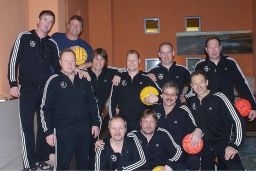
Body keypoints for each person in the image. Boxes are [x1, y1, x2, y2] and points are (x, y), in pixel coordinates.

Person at [7, 10, 60, 170]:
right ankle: (29, 164)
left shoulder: (52, 44)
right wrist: (13, 83)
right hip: (28, 89)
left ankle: (41, 159)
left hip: (45, 90)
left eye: (50, 21)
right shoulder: (24, 37)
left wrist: (74, 71)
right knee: (27, 127)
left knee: (44, 126)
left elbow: (59, 67)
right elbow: (13, 61)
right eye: (45, 19)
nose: (47, 23)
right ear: (38, 20)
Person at [40, 49, 101, 170]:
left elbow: (92, 103)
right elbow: (45, 109)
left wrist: (95, 123)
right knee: (62, 165)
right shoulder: (53, 80)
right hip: (63, 130)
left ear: (76, 62)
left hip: (84, 129)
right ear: (60, 62)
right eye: (66, 61)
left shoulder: (84, 79)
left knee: (84, 164)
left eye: (72, 61)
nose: (69, 64)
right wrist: (48, 132)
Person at [187, 71, 245, 170]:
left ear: (207, 82)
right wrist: (197, 129)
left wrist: (234, 145)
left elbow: (238, 121)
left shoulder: (219, 97)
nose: (198, 86)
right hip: (205, 145)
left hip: (224, 143)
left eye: (201, 82)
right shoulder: (191, 101)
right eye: (195, 83)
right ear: (191, 86)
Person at [190, 36, 256, 121]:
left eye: (216, 47)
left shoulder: (230, 63)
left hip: (228, 109)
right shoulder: (200, 66)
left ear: (220, 48)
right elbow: (194, 89)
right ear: (206, 49)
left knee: (230, 133)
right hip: (207, 111)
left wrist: (253, 106)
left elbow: (242, 85)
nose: (214, 50)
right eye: (210, 48)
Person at [152, 81, 202, 170]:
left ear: (176, 97)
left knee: (194, 159)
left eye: (172, 95)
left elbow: (197, 128)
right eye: (166, 94)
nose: (169, 97)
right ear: (162, 95)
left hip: (178, 156)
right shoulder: (154, 110)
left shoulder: (184, 110)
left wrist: (198, 131)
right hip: (157, 154)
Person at [109, 49, 160, 131]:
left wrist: (157, 98)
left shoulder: (147, 79)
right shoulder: (118, 79)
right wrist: (113, 121)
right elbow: (112, 102)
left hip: (142, 125)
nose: (132, 62)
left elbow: (161, 95)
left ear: (139, 61)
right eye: (129, 60)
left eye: (134, 60)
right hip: (123, 125)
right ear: (126, 61)